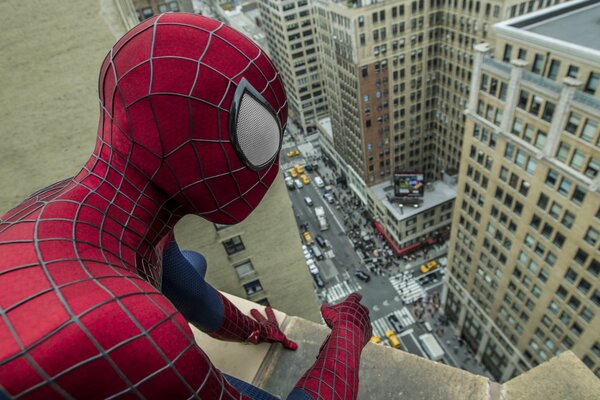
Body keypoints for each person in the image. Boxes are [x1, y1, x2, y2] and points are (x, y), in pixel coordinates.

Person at [0, 13, 371, 399]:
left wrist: (250, 329)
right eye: (257, 136)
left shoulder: (72, 202)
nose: (271, 165)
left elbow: (190, 292)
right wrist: (349, 331)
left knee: (192, 261)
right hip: (101, 342)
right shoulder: (137, 325)